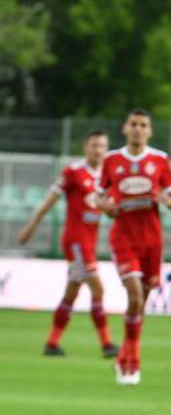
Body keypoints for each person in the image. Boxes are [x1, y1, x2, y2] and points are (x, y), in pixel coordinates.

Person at [18, 130, 118, 358]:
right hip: (75, 241)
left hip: (89, 242)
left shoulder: (107, 176)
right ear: (86, 147)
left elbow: (107, 209)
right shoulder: (73, 171)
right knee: (97, 287)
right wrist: (31, 227)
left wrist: (112, 210)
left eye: (102, 146)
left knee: (72, 292)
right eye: (94, 145)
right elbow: (49, 201)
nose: (98, 150)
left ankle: (52, 344)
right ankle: (107, 344)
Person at [98, 109, 171, 385]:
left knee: (140, 304)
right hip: (124, 237)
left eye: (143, 125)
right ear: (124, 128)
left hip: (151, 240)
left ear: (150, 131)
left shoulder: (160, 160)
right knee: (133, 296)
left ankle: (124, 355)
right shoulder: (112, 161)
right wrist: (108, 207)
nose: (138, 129)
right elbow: (99, 200)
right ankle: (133, 363)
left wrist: (165, 200)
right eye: (133, 124)